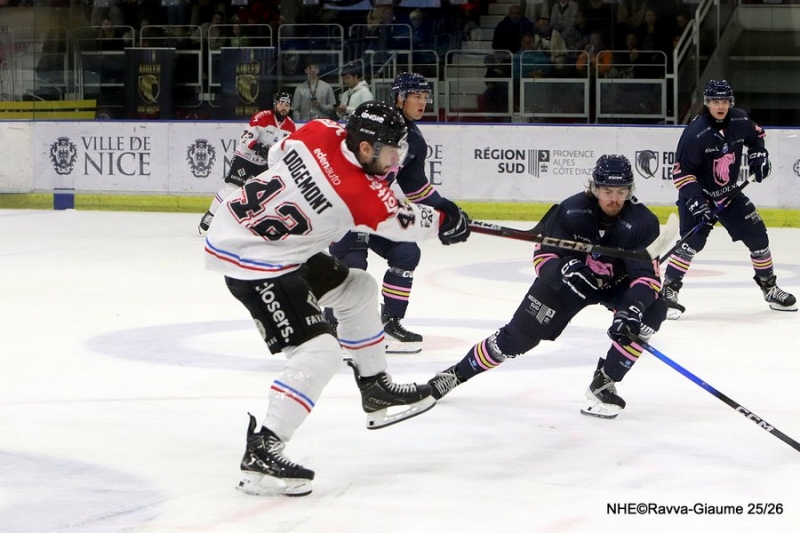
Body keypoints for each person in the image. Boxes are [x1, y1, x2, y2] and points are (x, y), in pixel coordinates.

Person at [203, 101, 471, 496]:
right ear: (365, 148)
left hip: (266, 241)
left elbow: (278, 152)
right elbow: (406, 223)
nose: (396, 160)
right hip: (255, 263)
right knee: (320, 352)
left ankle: (375, 386)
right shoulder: (359, 193)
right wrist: (448, 221)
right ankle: (264, 447)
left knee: (358, 288)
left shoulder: (320, 130)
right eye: (390, 151)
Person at [427, 154, 668, 420]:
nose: (614, 198)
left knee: (649, 313)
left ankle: (605, 381)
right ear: (595, 188)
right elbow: (544, 257)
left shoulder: (643, 222)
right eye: (607, 191)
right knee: (514, 340)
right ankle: (455, 374)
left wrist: (630, 310)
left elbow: (647, 278)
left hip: (616, 284)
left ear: (630, 191)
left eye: (621, 191)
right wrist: (563, 270)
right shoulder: (571, 211)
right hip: (567, 284)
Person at [326, 73, 463, 354]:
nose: (423, 102)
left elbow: (414, 186)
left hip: (375, 209)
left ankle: (391, 323)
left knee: (406, 253)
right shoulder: (374, 125)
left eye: (425, 97)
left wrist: (446, 208)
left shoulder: (414, 140)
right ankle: (332, 329)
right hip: (345, 210)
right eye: (416, 96)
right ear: (400, 99)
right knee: (353, 265)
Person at [661, 80, 796, 318]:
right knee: (691, 243)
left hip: (729, 194)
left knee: (758, 237)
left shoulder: (740, 120)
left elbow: (756, 136)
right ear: (707, 104)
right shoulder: (696, 133)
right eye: (715, 102)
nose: (720, 106)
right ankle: (668, 291)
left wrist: (758, 156)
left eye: (724, 101)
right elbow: (681, 173)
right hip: (698, 196)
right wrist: (697, 202)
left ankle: (770, 288)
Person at [198, 92, 296, 233]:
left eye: (287, 105)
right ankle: (210, 215)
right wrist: (258, 148)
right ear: (275, 104)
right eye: (281, 103)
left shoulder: (291, 127)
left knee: (265, 195)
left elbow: (286, 148)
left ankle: (256, 224)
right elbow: (245, 138)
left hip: (264, 164)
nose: (284, 107)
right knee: (232, 188)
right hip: (245, 158)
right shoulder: (262, 117)